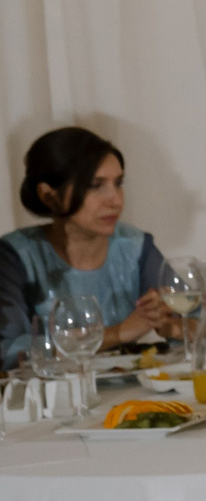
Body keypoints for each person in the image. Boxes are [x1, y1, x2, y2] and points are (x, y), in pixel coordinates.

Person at [2, 127, 178, 367]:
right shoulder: (16, 255)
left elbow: (203, 325)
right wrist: (118, 333)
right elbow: (9, 352)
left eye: (118, 183)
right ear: (48, 195)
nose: (115, 200)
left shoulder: (135, 245)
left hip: (132, 395)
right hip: (53, 402)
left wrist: (171, 324)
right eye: (95, 185)